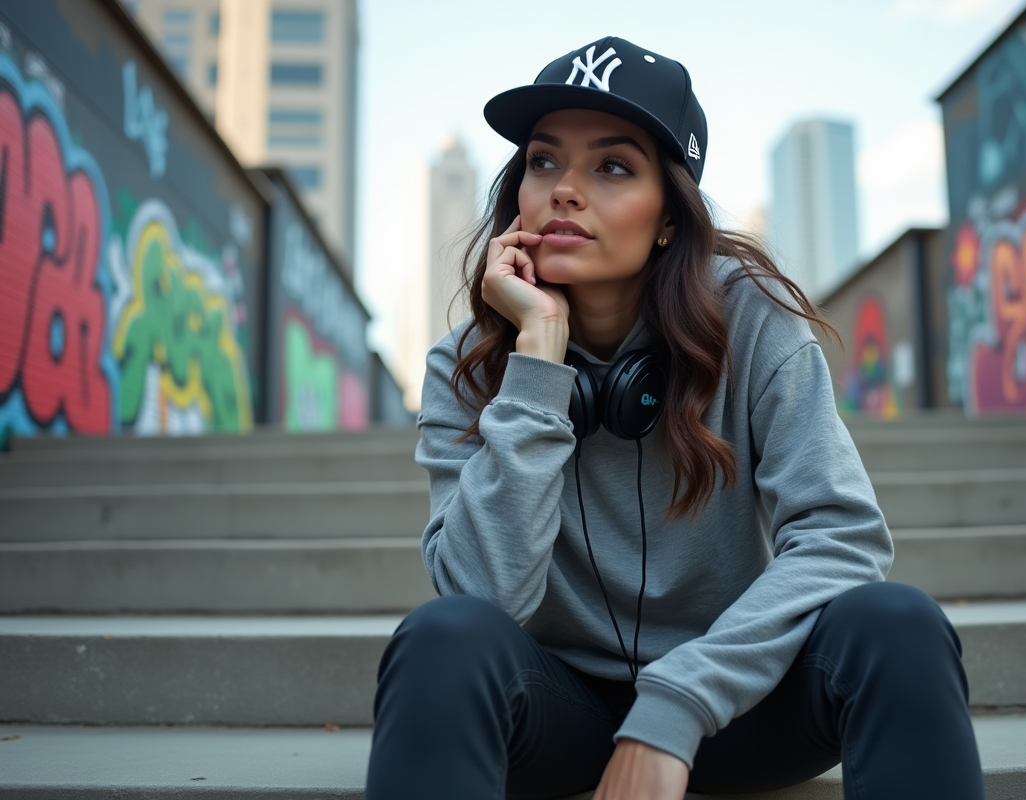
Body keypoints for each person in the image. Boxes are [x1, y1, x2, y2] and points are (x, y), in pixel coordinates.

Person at [366, 37, 984, 800]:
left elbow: (842, 539)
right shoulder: (470, 363)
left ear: (669, 216)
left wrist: (677, 701)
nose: (565, 189)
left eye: (613, 167)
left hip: (731, 709)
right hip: (560, 718)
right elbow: (479, 598)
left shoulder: (750, 321)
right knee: (441, 639)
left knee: (897, 624)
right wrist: (536, 367)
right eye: (544, 160)